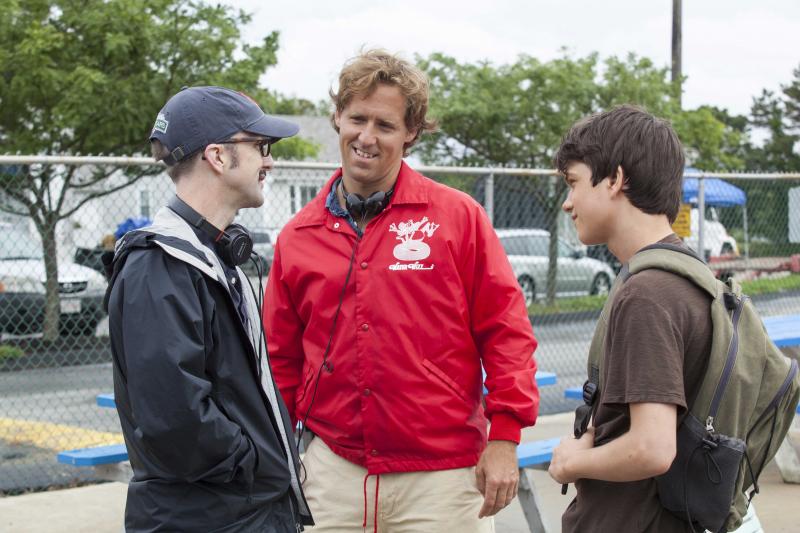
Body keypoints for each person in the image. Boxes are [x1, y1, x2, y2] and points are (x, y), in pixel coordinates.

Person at [263, 50, 539, 532]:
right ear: (337, 118)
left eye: (385, 125)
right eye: (357, 119)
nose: (366, 137)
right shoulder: (298, 236)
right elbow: (280, 357)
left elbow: (505, 332)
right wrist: (281, 452)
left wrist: (506, 437)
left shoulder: (457, 218)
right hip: (332, 472)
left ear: (410, 132)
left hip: (442, 477)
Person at [104, 86, 313, 532]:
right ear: (218, 156)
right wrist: (254, 463)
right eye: (260, 147)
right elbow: (175, 419)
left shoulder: (212, 256)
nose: (269, 161)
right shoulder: (159, 266)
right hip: (213, 517)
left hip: (239, 511)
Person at [548, 104, 711, 532]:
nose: (568, 203)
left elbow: (652, 447)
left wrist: (572, 461)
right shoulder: (689, 274)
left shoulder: (647, 294)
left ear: (616, 180)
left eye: (574, 183)